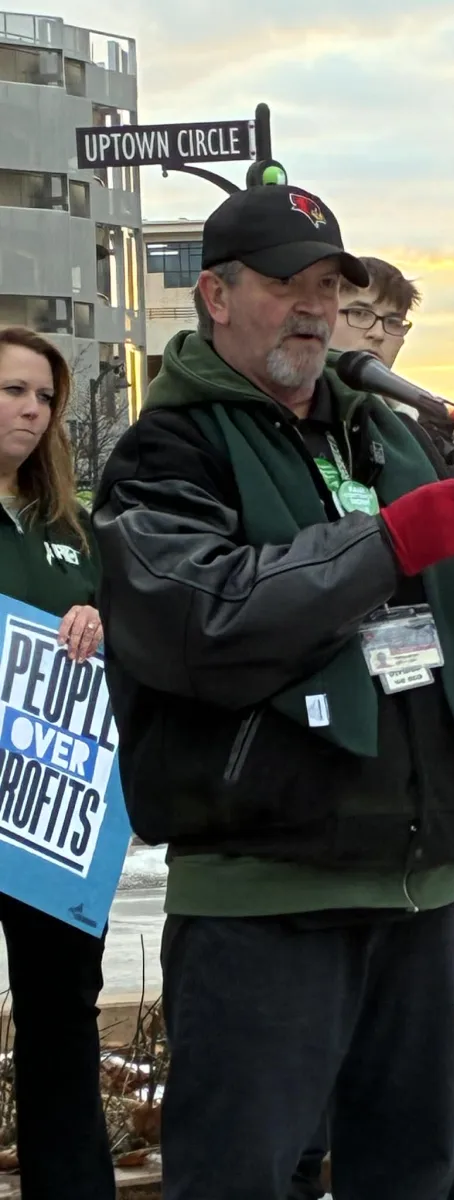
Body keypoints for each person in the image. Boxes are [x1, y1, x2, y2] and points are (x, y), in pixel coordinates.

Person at [92, 184, 454, 1200]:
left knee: (409, 1177)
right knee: (242, 1180)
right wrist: (386, 543)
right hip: (269, 890)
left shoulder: (397, 438)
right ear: (216, 296)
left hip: (418, 880)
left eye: (329, 284)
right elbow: (199, 623)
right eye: (287, 284)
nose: (313, 307)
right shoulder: (164, 453)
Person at [286, 255, 454, 1200]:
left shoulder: (420, 433)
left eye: (393, 325)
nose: (377, 338)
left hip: (429, 743)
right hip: (325, 756)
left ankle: (440, 1160)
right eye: (358, 314)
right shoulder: (291, 430)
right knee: (319, 997)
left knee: (414, 996)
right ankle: (303, 1161)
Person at [0, 327, 111, 1199]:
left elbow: (133, 625)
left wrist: (102, 622)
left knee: (62, 1016)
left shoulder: (72, 526)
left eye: (43, 396)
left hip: (53, 816)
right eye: (12, 391)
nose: (32, 411)